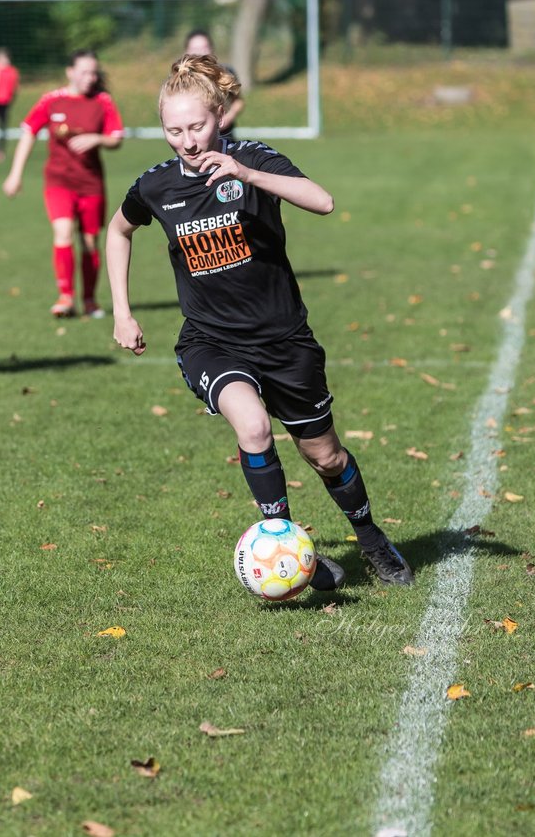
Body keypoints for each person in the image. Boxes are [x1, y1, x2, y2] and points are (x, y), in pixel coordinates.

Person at [106, 55, 415, 588]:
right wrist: (122, 310)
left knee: (325, 455)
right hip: (211, 341)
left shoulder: (253, 157)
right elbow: (118, 231)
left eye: (197, 126)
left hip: (285, 339)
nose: (187, 140)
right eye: (173, 130)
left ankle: (369, 538)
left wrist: (247, 175)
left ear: (220, 115)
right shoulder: (156, 186)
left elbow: (323, 201)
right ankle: (287, 550)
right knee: (252, 426)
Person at [3, 49, 124, 318]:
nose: (90, 78)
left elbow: (116, 137)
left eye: (94, 72)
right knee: (63, 233)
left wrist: (97, 139)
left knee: (90, 242)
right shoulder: (51, 101)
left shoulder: (102, 101)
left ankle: (90, 300)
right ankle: (65, 297)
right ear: (70, 72)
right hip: (58, 181)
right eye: (84, 72)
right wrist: (15, 174)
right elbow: (28, 132)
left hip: (90, 183)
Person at [184, 30, 244, 141]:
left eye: (204, 47)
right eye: (195, 49)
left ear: (212, 48)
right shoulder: (181, 77)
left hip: (224, 135)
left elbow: (238, 101)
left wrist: (228, 117)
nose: (200, 53)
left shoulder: (225, 72)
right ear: (186, 51)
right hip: (195, 138)